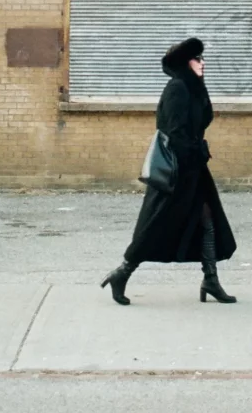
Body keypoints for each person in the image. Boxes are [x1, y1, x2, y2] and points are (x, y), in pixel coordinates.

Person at [101, 37, 237, 306]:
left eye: (202, 58)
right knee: (157, 223)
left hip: (193, 168)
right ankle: (122, 272)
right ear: (186, 63)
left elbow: (200, 123)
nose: (203, 63)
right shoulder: (177, 88)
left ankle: (210, 279)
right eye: (197, 59)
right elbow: (173, 131)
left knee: (207, 221)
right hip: (178, 171)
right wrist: (191, 155)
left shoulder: (193, 87)